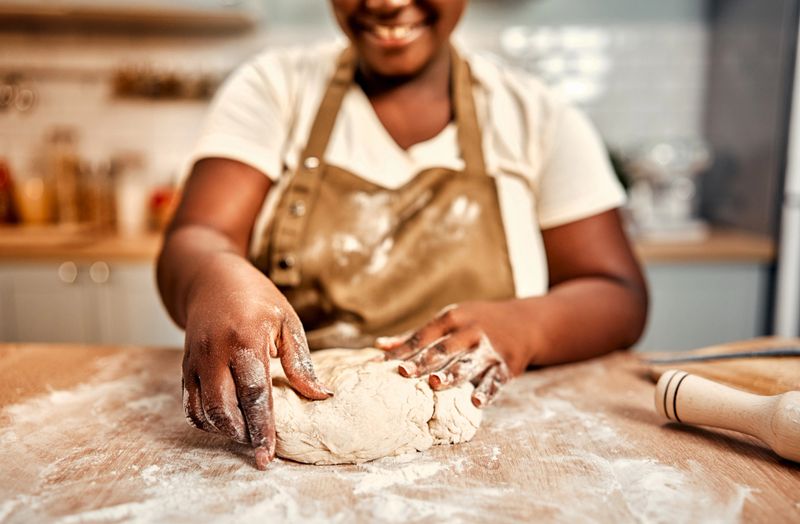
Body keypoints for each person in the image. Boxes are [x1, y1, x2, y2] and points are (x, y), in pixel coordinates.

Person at [157, 0, 648, 471]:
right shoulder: (276, 89)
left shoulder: (533, 115)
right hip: (293, 414)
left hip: (505, 438)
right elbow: (198, 234)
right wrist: (215, 275)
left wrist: (529, 326)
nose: (388, 3)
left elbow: (618, 296)